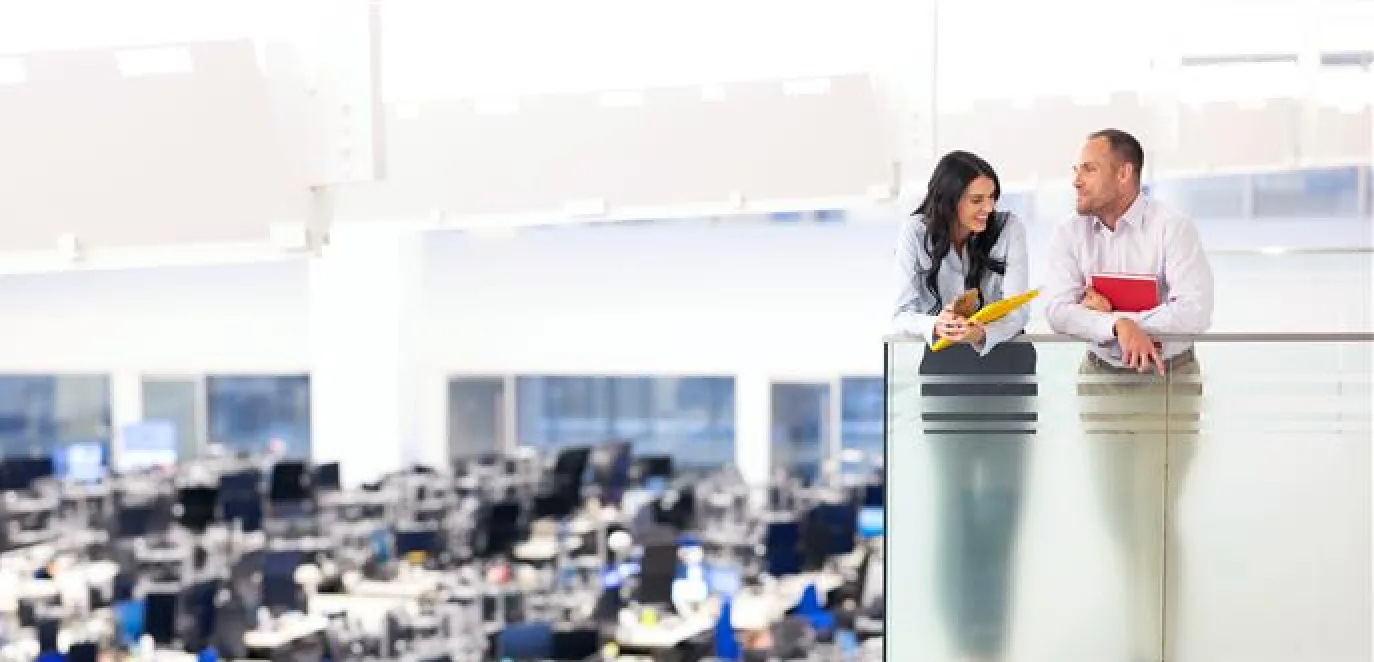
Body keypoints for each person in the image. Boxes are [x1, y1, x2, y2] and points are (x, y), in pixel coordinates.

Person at [1043, 128, 1214, 662]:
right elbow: (1057, 309)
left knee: (1154, 515)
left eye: (1088, 168)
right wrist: (1120, 328)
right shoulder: (1071, 233)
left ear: (1125, 174)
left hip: (1168, 383)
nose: (1075, 179)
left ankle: (1162, 642)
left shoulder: (1171, 229)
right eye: (1075, 168)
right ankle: (1132, 629)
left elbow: (1195, 311)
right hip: (1102, 380)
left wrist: (1117, 317)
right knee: (1118, 517)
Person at [892, 150, 1036, 662]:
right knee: (954, 509)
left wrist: (982, 332)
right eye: (976, 199)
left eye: (991, 198)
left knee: (1002, 508)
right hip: (947, 372)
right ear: (950, 198)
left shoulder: (1008, 229)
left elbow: (1018, 309)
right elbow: (900, 313)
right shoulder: (915, 233)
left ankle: (993, 635)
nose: (986, 209)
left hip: (1005, 371)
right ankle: (957, 639)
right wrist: (938, 326)